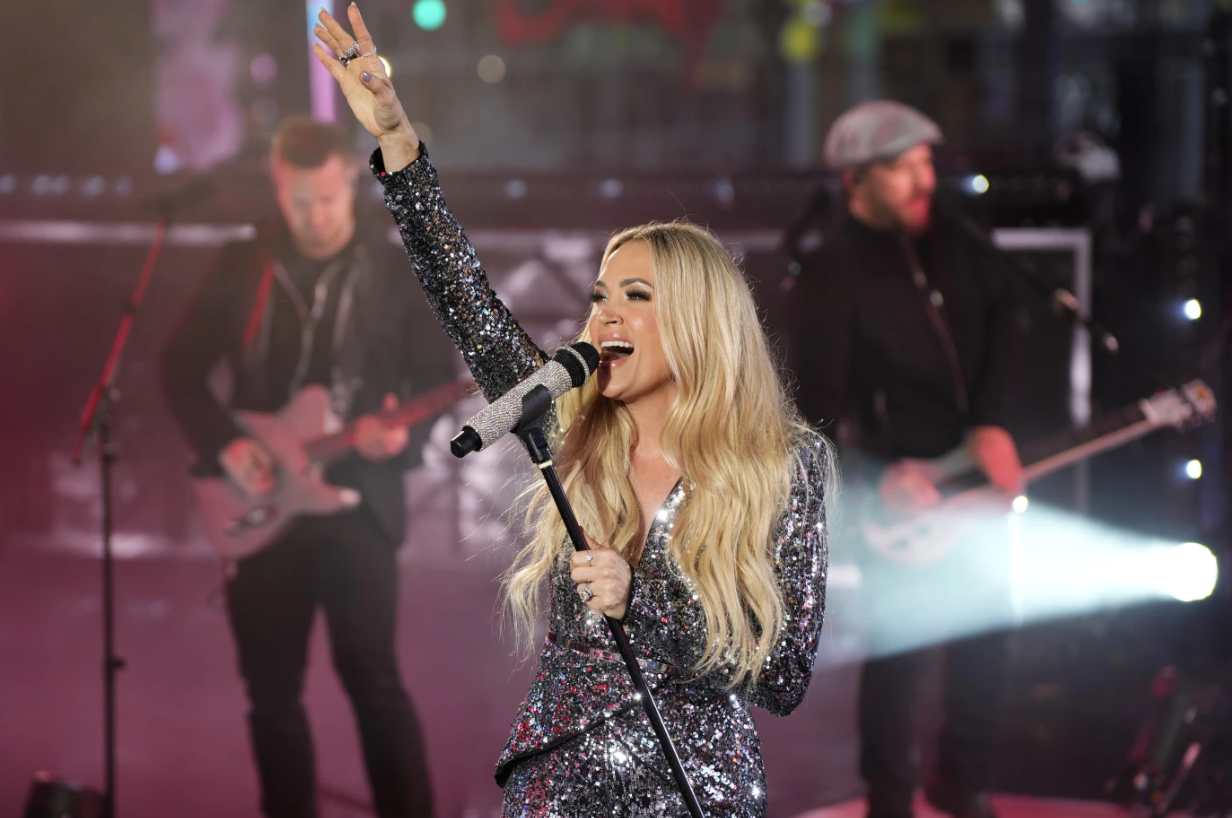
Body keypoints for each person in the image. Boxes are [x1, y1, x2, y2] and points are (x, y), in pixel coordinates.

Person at [309, 7, 834, 816]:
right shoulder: (570, 422)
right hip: (559, 780)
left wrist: (645, 601)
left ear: (696, 321)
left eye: (634, 296)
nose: (604, 317)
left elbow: (787, 676)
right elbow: (467, 303)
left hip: (701, 789)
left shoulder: (786, 463)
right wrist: (399, 142)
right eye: (597, 297)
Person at [160, 115, 455, 818]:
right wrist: (222, 444)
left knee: (373, 678)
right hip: (261, 506)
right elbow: (177, 365)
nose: (315, 217)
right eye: (299, 202)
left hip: (360, 503)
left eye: (327, 199)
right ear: (277, 183)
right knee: (270, 695)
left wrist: (400, 440)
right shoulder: (243, 262)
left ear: (350, 180)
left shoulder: (395, 268)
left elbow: (434, 378)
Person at [789, 100, 1024, 818]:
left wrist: (991, 421)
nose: (924, 179)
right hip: (899, 495)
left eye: (926, 162)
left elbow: (1009, 317)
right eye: (902, 166)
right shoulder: (830, 273)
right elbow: (819, 410)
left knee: (989, 633)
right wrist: (881, 469)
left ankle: (965, 780)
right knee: (902, 654)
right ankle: (891, 798)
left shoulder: (958, 242)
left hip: (972, 477)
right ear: (856, 180)